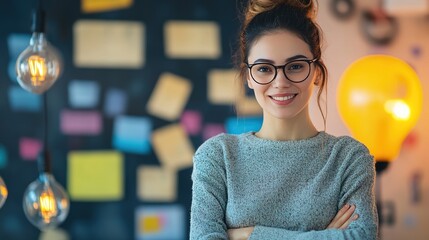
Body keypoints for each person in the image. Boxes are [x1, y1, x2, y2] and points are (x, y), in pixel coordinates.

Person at [190, 0, 378, 239]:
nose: (280, 82)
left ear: (317, 73)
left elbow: (360, 237)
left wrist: (248, 235)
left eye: (296, 66)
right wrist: (323, 235)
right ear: (249, 77)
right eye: (264, 69)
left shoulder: (349, 157)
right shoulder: (218, 156)